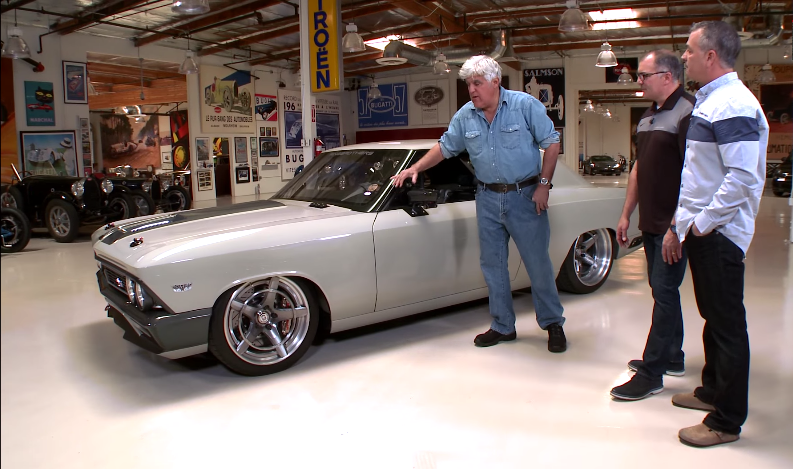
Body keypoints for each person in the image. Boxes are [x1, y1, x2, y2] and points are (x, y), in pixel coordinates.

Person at [391, 55, 567, 353]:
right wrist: (416, 168)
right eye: (468, 84)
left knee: (537, 264)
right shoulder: (465, 116)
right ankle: (502, 326)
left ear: (495, 82)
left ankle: (552, 324)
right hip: (486, 198)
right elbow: (445, 146)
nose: (472, 90)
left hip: (524, 196)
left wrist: (544, 186)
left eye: (477, 83)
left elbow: (551, 142)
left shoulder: (524, 106)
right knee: (493, 265)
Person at [672, 20, 768, 447]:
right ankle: (711, 390)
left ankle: (726, 421)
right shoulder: (713, 100)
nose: (685, 56)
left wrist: (703, 225)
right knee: (714, 316)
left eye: (690, 50)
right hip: (707, 230)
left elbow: (743, 178)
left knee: (728, 324)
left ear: (711, 56)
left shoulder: (732, 104)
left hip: (720, 234)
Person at [609, 50, 695, 401]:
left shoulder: (688, 112)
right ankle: (673, 355)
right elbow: (638, 169)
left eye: (644, 75)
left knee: (664, 292)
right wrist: (626, 213)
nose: (639, 81)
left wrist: (677, 225)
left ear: (668, 76)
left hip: (675, 226)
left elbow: (695, 173)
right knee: (662, 291)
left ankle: (653, 371)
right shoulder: (647, 117)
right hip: (652, 223)